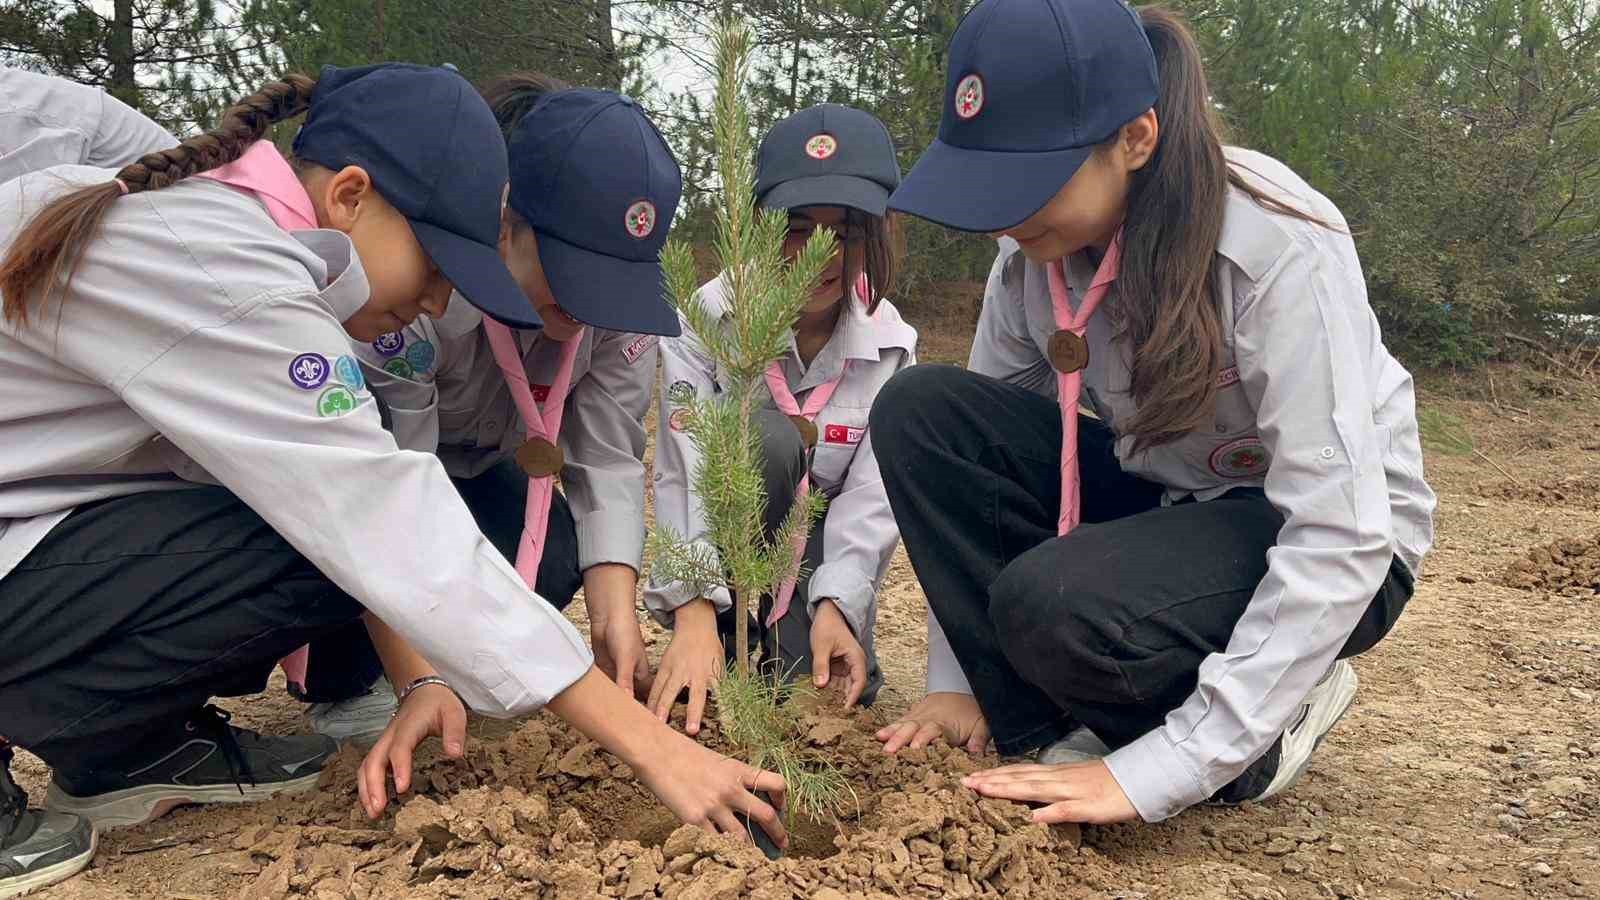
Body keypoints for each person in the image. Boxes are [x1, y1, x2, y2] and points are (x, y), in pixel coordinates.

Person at [0, 63, 784, 900]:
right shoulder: (231, 275)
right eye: (440, 264)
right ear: (348, 196)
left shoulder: (220, 235)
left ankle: (123, 748)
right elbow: (385, 519)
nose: (441, 297)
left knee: (305, 521)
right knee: (315, 533)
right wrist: (658, 749)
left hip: (45, 530)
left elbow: (594, 460)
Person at [871, 0, 1435, 826]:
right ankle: (1044, 728)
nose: (999, 214)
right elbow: (980, 458)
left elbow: (1343, 532)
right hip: (1177, 506)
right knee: (923, 409)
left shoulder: (1275, 241)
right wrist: (956, 684)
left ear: (1135, 140)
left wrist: (1160, 770)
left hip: (1325, 536)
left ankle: (1269, 728)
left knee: (1053, 603)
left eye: (1024, 181)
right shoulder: (1031, 262)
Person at [344, 75, 682, 709]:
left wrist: (616, 618)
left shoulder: (617, 319)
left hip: (483, 477)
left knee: (558, 548)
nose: (592, 307)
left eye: (615, 282)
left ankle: (456, 679)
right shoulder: (421, 302)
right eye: (576, 274)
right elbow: (384, 493)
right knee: (333, 572)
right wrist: (420, 677)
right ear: (504, 227)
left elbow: (606, 457)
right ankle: (356, 685)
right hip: (404, 474)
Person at [645, 104, 916, 734]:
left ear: (876, 235)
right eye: (794, 227)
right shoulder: (704, 319)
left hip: (819, 545)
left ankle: (799, 631)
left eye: (844, 233)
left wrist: (838, 605)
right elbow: (684, 470)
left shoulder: (892, 343)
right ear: (756, 228)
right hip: (728, 535)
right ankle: (724, 631)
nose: (818, 254)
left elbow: (871, 499)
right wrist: (691, 614)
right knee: (763, 437)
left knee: (816, 695)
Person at [0, 67, 177, 183]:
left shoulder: (12, 109)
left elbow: (27, 201)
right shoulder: (16, 94)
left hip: (174, 202)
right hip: (137, 200)